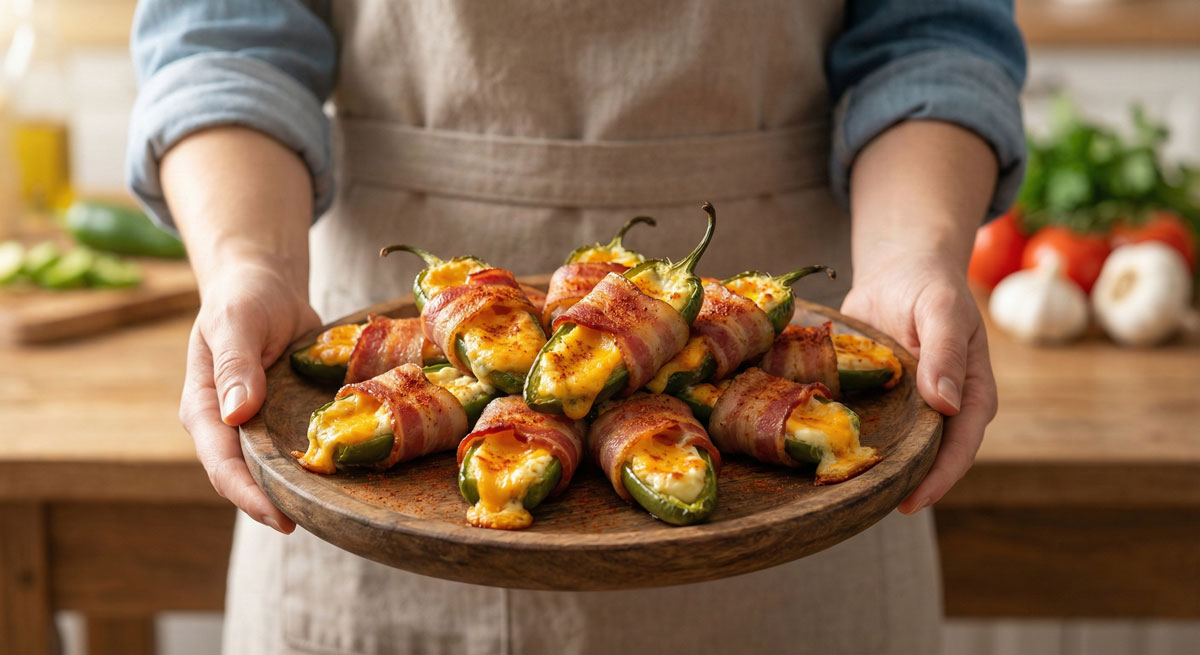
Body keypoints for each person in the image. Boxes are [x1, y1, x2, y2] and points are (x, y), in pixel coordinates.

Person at [127, 1, 1023, 653]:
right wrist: (249, 265)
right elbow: (225, 36)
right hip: (379, 448)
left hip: (796, 555)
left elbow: (932, 33)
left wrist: (913, 256)